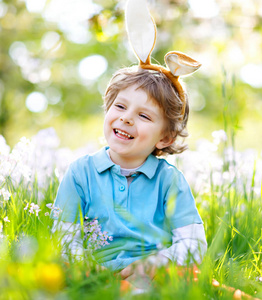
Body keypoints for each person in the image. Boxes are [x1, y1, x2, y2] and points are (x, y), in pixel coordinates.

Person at [52, 0, 207, 290]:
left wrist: (153, 263)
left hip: (154, 275)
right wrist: (90, 268)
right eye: (120, 106)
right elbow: (64, 237)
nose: (126, 119)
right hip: (96, 276)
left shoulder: (169, 181)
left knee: (200, 284)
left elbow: (193, 244)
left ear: (165, 138)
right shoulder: (80, 173)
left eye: (144, 116)